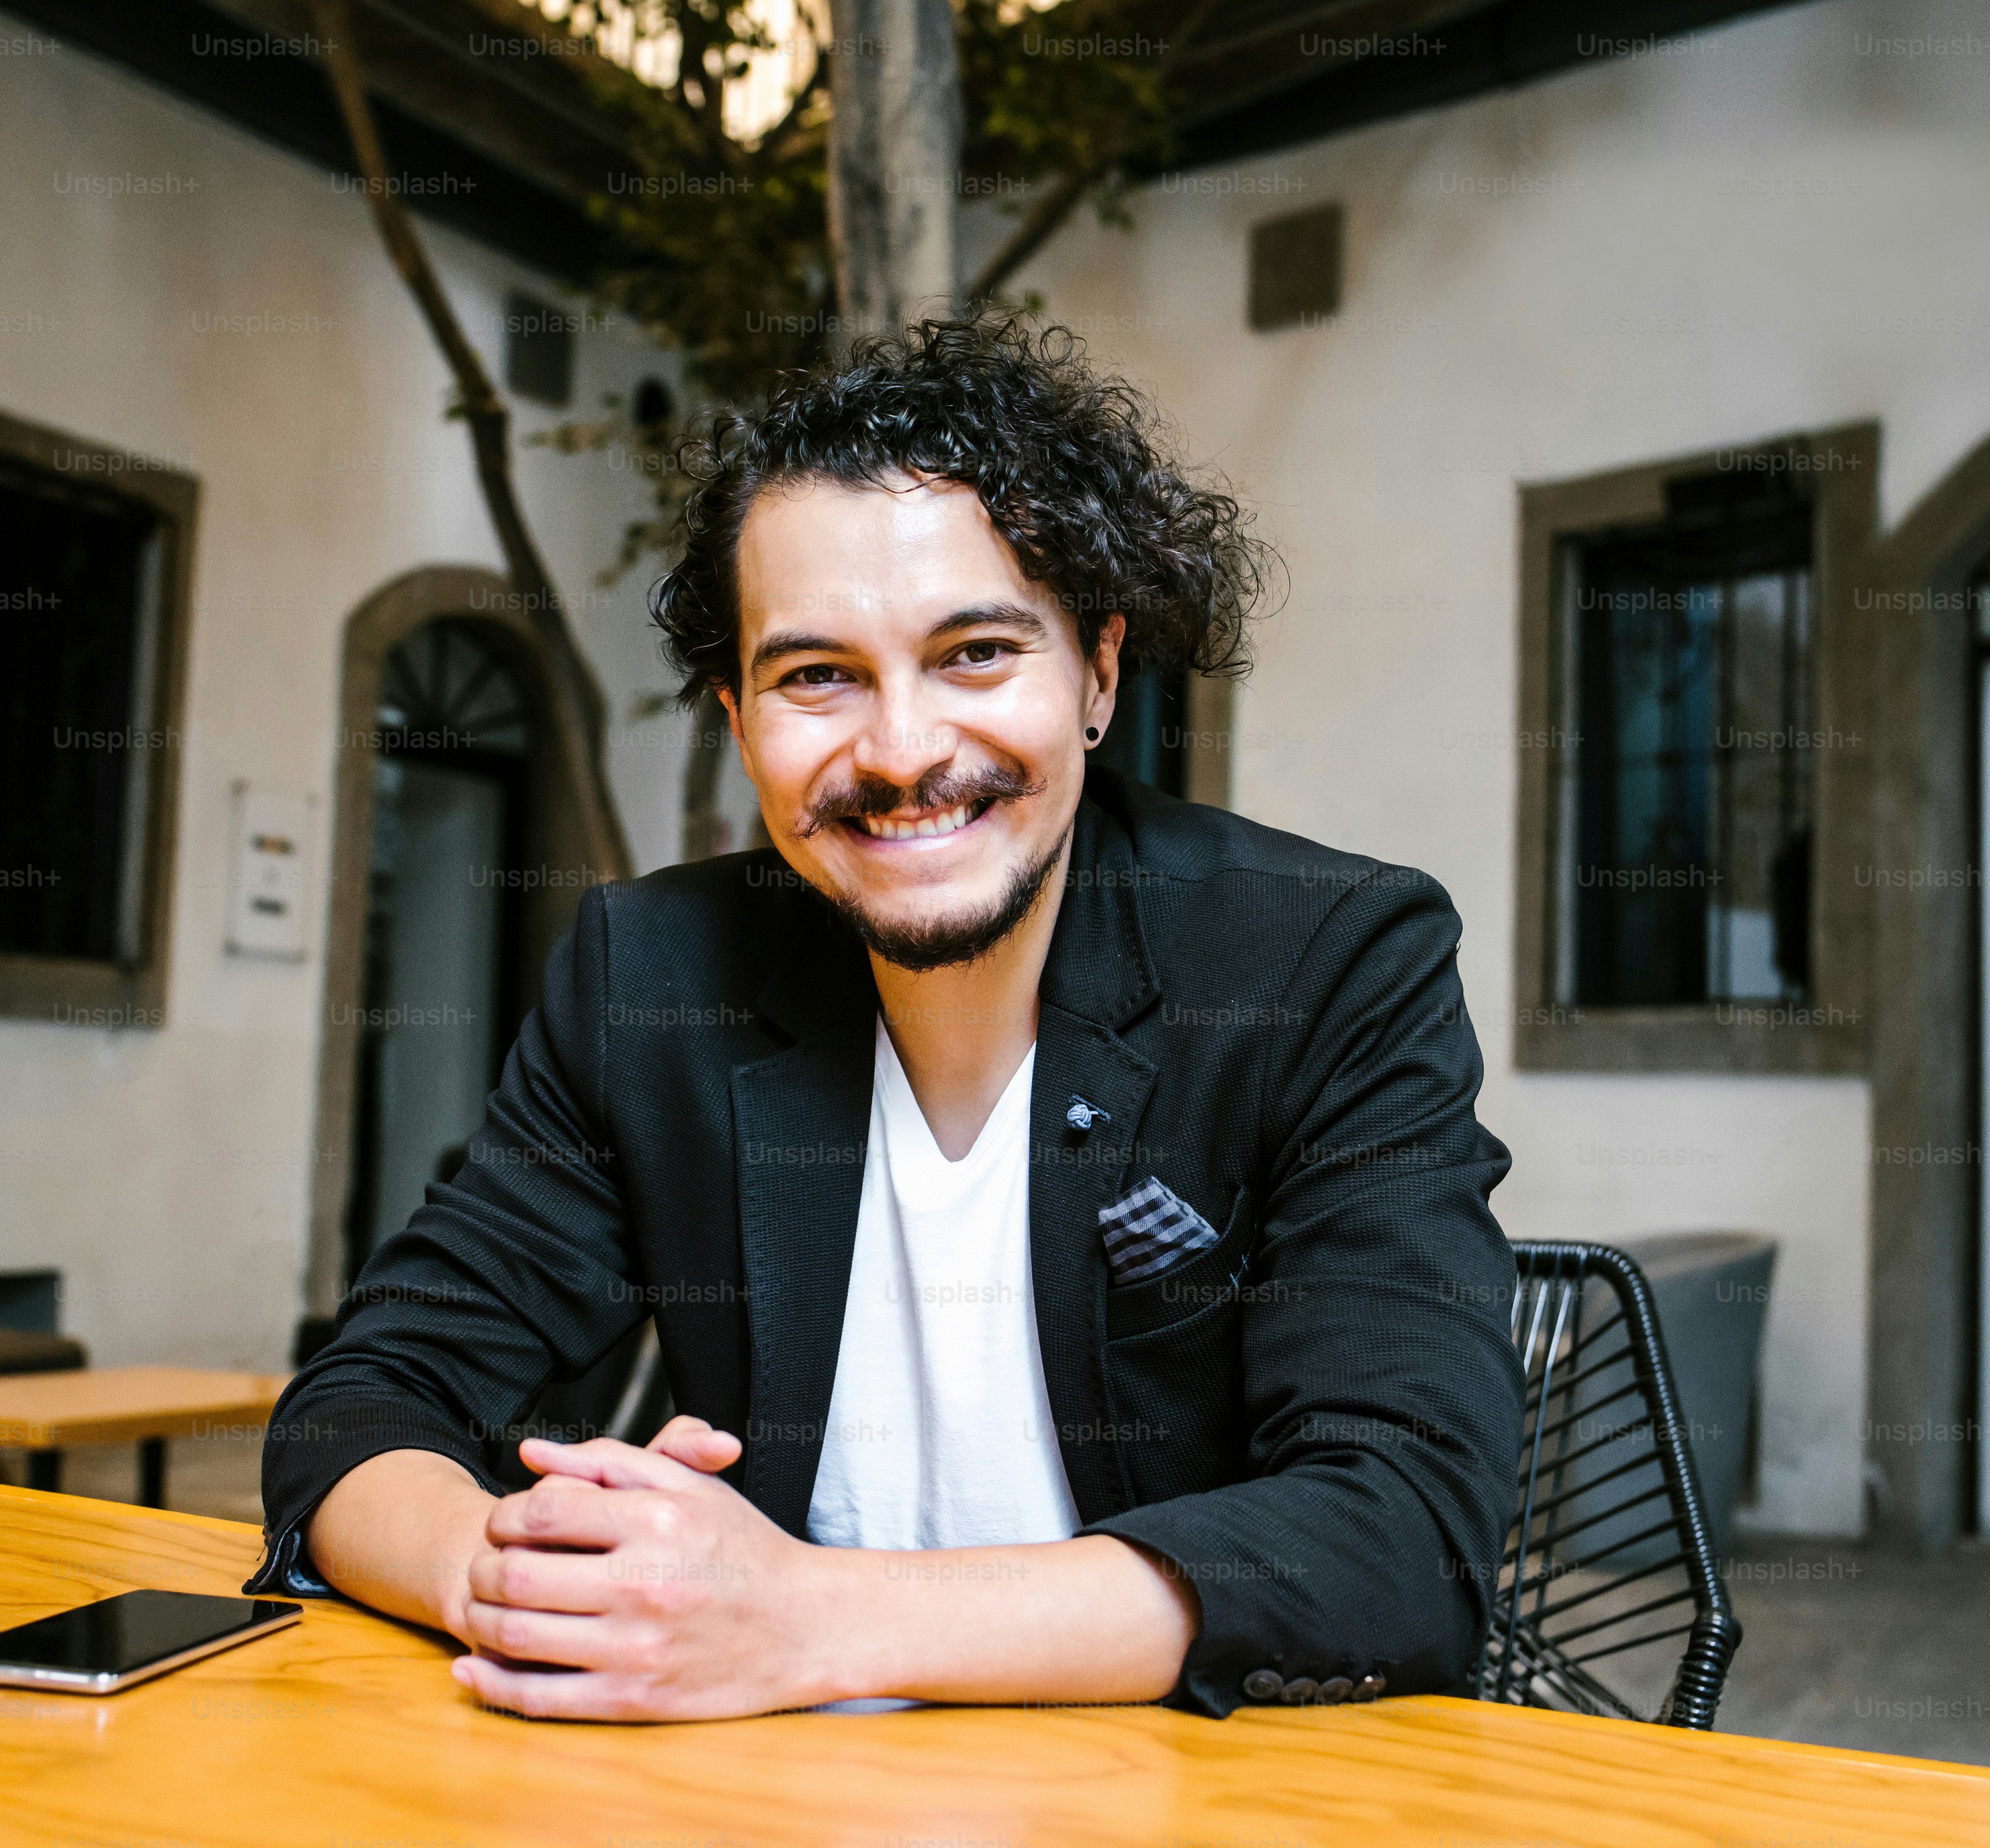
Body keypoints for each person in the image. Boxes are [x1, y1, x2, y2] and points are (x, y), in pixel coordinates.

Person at [252, 311, 1520, 1721]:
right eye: (816, 676)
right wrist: (511, 1576)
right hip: (775, 1791)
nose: (904, 751)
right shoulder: (656, 976)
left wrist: (800, 1618)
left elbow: (1405, 1532)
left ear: (1098, 673)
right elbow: (362, 1405)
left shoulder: (1320, 958)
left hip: (1173, 1785)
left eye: (976, 652)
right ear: (739, 720)